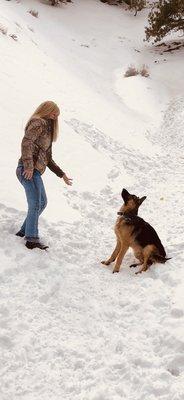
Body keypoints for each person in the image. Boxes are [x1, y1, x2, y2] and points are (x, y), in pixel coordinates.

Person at [16, 101, 72, 250]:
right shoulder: (38, 122)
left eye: (57, 116)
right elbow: (26, 143)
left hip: (35, 171)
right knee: (35, 202)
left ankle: (24, 231)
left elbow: (48, 159)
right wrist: (28, 166)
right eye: (54, 114)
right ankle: (31, 239)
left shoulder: (48, 130)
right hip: (27, 169)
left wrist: (62, 175)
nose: (55, 118)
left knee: (42, 202)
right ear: (47, 110)